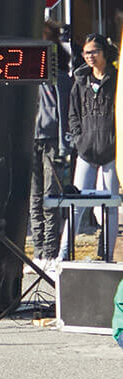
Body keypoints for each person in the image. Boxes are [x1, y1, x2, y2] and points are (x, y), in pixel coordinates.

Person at [69, 32, 118, 259]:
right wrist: (79, 139)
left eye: (94, 52)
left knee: (110, 205)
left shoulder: (117, 80)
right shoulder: (80, 81)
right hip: (86, 150)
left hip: (111, 152)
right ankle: (63, 254)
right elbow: (74, 114)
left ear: (104, 53)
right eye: (86, 53)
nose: (89, 56)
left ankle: (106, 254)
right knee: (76, 205)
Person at [29, 21, 71, 263]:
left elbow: (65, 113)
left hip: (52, 140)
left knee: (50, 197)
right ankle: (37, 251)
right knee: (34, 197)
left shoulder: (60, 79)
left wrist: (66, 143)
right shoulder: (26, 74)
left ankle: (49, 251)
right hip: (31, 139)